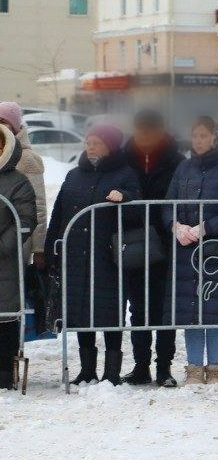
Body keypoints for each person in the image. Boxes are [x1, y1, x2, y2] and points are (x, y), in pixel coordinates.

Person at [45, 124, 141, 385]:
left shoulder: (125, 174)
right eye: (88, 143)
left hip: (107, 257)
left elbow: (138, 211)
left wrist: (125, 197)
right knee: (81, 312)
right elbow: (58, 215)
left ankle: (111, 372)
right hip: (75, 255)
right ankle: (87, 370)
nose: (90, 147)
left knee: (110, 312)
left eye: (96, 143)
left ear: (110, 146)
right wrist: (51, 248)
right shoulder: (74, 175)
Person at [162, 117, 218, 385]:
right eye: (195, 135)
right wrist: (175, 226)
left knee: (214, 309)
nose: (198, 140)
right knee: (190, 310)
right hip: (185, 250)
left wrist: (205, 228)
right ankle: (193, 368)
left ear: (214, 137)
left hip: (217, 251)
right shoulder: (183, 168)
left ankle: (214, 368)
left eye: (203, 135)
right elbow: (167, 203)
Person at [121, 109, 185, 388]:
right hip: (133, 241)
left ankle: (164, 367)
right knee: (138, 308)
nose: (145, 135)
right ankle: (141, 365)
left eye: (150, 130)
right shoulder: (123, 159)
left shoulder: (176, 161)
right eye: (141, 129)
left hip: (167, 242)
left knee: (165, 308)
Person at [0, 121, 37, 390]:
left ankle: (5, 372)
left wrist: (3, 245)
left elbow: (24, 220)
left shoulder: (18, 182)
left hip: (5, 261)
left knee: (5, 316)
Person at [0, 104, 47, 272]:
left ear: (15, 126)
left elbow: (38, 206)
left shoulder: (27, 158)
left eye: (3, 121)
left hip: (17, 238)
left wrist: (39, 248)